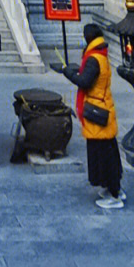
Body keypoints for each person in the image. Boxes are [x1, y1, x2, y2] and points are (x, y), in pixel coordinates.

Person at [52, 22, 125, 209]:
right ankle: (113, 187)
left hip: (96, 109)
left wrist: (67, 72)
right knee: (108, 149)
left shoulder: (93, 59)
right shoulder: (100, 55)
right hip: (102, 105)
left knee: (103, 153)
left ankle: (114, 193)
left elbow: (84, 81)